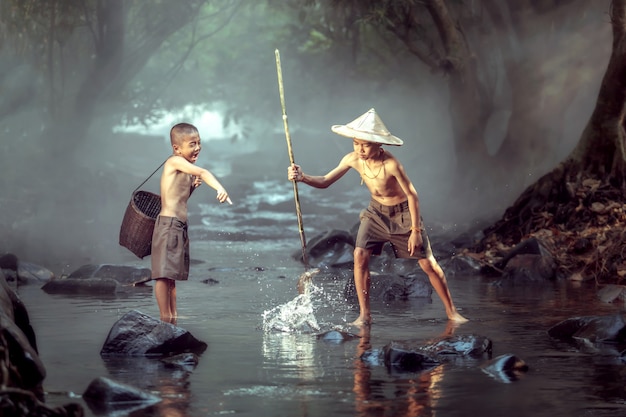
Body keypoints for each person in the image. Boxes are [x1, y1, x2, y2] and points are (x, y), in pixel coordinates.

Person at [287, 108, 467, 326]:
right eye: (356, 143)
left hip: (402, 214)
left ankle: (452, 312)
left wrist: (415, 231)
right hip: (375, 213)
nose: (360, 149)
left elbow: (412, 195)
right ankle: (364, 315)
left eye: (366, 144)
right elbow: (325, 180)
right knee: (359, 255)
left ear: (378, 144)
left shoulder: (391, 164)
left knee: (427, 264)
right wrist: (302, 177)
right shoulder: (352, 159)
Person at [151, 122, 231, 322]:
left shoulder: (185, 170)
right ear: (177, 149)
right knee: (162, 275)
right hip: (168, 225)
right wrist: (220, 188)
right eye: (192, 144)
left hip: (178, 226)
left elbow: (179, 198)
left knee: (171, 277)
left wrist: (192, 187)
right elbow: (203, 172)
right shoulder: (174, 161)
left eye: (199, 143)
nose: (197, 148)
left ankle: (173, 316)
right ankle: (164, 317)